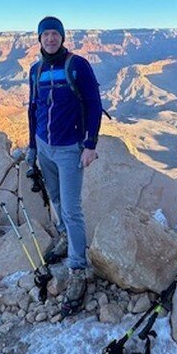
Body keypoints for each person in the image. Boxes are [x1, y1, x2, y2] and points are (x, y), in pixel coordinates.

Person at [26, 16, 103, 316]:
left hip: (71, 148)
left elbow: (94, 104)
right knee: (55, 199)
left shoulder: (77, 65)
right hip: (44, 145)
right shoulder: (36, 70)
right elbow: (33, 109)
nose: (50, 39)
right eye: (45, 35)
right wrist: (32, 147)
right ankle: (63, 236)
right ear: (39, 39)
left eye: (55, 34)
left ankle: (77, 270)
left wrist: (91, 145)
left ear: (62, 37)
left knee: (72, 209)